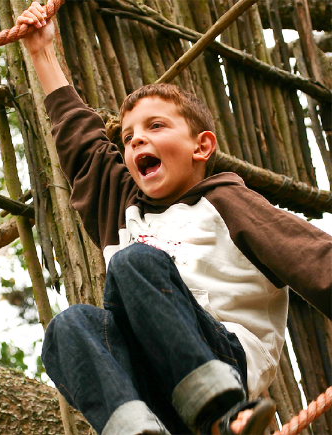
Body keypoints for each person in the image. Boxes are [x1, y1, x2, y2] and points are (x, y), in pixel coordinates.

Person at [16, 3, 332, 435]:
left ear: (201, 146)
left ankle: (221, 415)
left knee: (134, 261)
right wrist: (41, 52)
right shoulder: (122, 209)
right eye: (128, 136)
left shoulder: (228, 203)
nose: (136, 140)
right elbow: (82, 144)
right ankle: (138, 431)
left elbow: (313, 257)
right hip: (154, 396)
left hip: (222, 362)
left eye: (156, 126)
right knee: (67, 328)